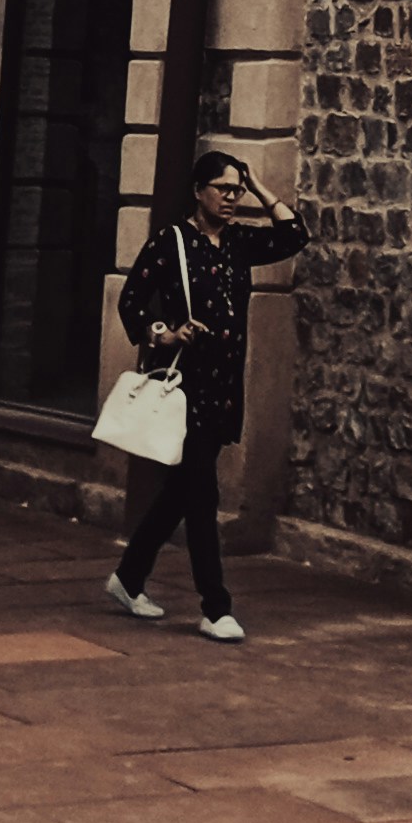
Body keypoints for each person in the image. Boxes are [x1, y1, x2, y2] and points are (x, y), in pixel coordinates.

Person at [101, 148, 308, 644]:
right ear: (199, 192)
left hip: (223, 386)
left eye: (237, 190)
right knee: (201, 493)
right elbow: (132, 302)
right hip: (184, 384)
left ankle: (128, 578)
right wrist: (166, 333)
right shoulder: (171, 242)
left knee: (182, 490)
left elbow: (293, 235)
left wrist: (259, 187)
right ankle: (215, 607)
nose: (231, 198)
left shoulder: (238, 242)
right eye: (223, 189)